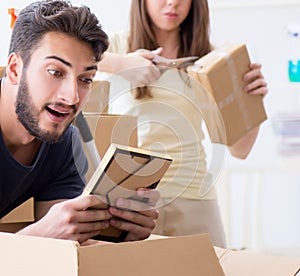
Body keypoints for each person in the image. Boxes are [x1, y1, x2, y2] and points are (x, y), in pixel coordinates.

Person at [98, 0, 268, 248]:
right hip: (131, 200)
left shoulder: (212, 60)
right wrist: (122, 64)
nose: (173, 3)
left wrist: (252, 103)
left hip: (194, 197)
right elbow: (68, 54)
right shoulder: (118, 45)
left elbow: (240, 150)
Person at [0, 0, 159, 245]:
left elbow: (61, 249)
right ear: (14, 69)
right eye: (55, 72)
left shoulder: (63, 145)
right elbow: (40, 242)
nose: (72, 96)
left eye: (85, 79)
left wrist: (122, 239)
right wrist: (35, 237)